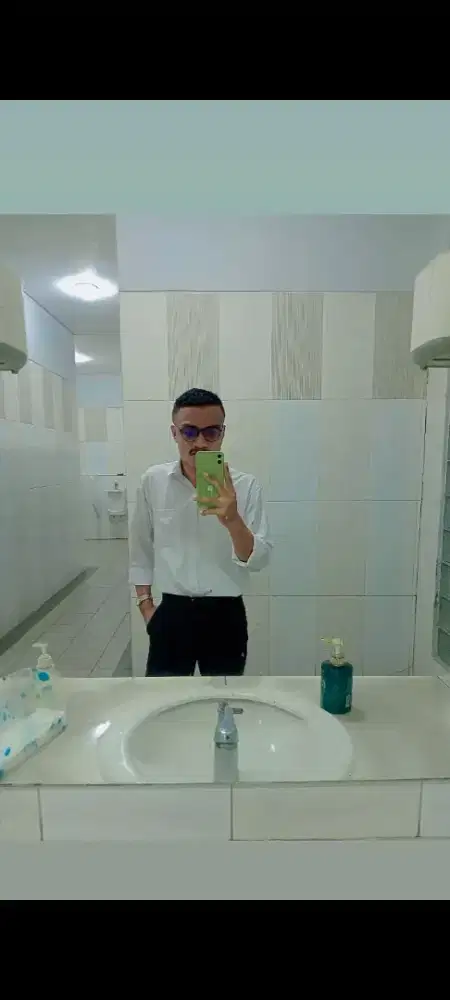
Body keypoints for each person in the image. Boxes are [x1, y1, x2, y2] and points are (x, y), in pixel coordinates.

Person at [129, 387, 272, 677]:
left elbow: (258, 560)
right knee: (165, 698)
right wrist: (146, 606)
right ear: (174, 433)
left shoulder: (246, 486)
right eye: (189, 432)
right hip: (172, 613)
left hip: (225, 615)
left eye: (211, 432)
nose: (200, 442)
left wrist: (233, 520)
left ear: (222, 433)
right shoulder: (153, 481)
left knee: (223, 699)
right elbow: (140, 548)